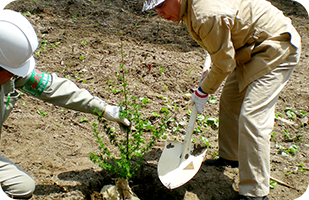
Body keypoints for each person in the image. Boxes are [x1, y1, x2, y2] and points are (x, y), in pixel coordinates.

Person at [142, 0, 301, 199]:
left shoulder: (205, 14)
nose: (160, 13)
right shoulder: (193, 10)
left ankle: (255, 192)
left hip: (274, 47)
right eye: (155, 9)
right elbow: (221, 45)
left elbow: (224, 64)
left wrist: (203, 90)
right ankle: (231, 156)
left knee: (252, 117)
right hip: (248, 48)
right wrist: (214, 60)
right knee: (230, 100)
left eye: (161, 6)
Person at [0, 9, 130, 199]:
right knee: (21, 188)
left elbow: (51, 87)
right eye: (11, 71)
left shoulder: (8, 72)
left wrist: (103, 109)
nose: (15, 76)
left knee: (22, 186)